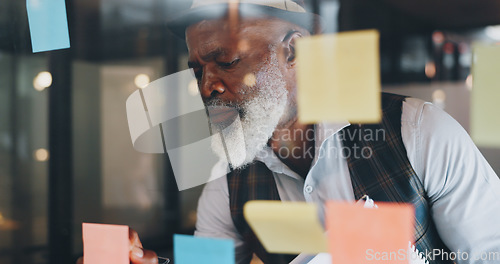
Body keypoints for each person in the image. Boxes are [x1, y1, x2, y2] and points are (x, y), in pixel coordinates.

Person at [80, 0, 500, 263]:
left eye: (225, 62)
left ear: (293, 51)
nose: (207, 86)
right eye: (197, 69)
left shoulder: (418, 131)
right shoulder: (226, 180)